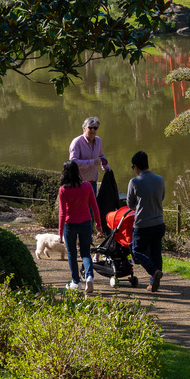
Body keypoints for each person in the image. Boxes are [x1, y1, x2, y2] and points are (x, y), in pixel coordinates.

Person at [58, 160, 103, 293]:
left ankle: (76, 282)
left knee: (72, 254)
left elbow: (62, 212)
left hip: (70, 225)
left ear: (65, 173)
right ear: (78, 172)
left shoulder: (63, 189)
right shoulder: (87, 186)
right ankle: (89, 277)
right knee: (85, 253)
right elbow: (95, 207)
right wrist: (99, 225)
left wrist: (60, 233)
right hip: (85, 223)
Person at [127, 151, 166, 292]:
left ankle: (154, 272)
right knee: (156, 252)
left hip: (143, 224)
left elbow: (130, 204)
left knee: (136, 251)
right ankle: (153, 282)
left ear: (136, 166)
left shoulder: (134, 182)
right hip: (159, 223)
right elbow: (161, 197)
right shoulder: (160, 179)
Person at [69, 117, 110, 195]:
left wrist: (105, 165)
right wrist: (92, 162)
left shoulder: (98, 141)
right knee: (82, 207)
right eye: (90, 127)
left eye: (95, 128)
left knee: (92, 207)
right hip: (79, 184)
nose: (93, 130)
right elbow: (73, 163)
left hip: (93, 183)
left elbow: (101, 155)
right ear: (84, 128)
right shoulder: (76, 142)